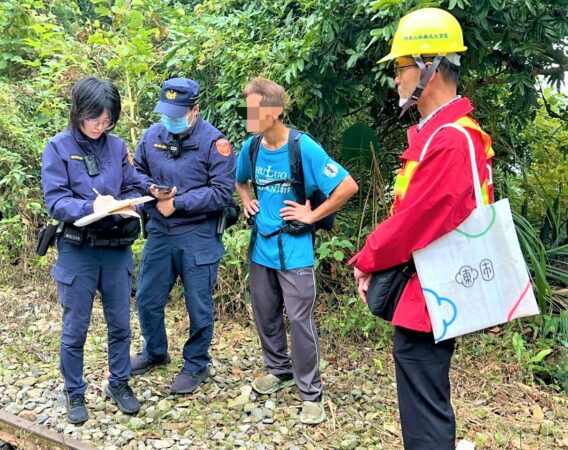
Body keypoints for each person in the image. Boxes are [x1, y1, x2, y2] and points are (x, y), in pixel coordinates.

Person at [350, 8, 495, 449]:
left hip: (431, 293)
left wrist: (368, 258)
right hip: (428, 290)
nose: (396, 79)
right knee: (423, 392)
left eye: (401, 67)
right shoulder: (445, 133)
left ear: (429, 67)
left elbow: (419, 220)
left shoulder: (452, 138)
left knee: (424, 404)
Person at [235, 77, 358, 424]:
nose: (247, 112)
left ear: (273, 111)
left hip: (296, 250)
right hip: (261, 248)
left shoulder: (304, 148)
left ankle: (311, 393)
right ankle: (278, 370)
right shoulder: (252, 147)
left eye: (253, 107)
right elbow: (240, 180)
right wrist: (247, 201)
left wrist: (312, 215)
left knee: (300, 321)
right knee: (265, 312)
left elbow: (347, 186)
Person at [42, 76, 143, 424]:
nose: (101, 126)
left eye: (107, 120)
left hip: (116, 250)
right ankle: (74, 391)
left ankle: (119, 382)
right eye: (94, 119)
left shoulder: (116, 147)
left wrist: (133, 207)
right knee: (76, 328)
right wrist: (92, 207)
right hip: (79, 251)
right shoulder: (57, 147)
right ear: (78, 112)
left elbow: (132, 185)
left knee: (120, 324)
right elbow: (56, 200)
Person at [131, 78, 236, 394]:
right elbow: (135, 173)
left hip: (197, 235)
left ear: (195, 109)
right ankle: (154, 351)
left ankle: (196, 364)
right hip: (160, 234)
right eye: (166, 111)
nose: (170, 118)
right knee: (147, 298)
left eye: (177, 112)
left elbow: (221, 193)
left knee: (198, 305)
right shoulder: (151, 136)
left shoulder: (215, 143)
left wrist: (176, 203)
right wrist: (151, 191)